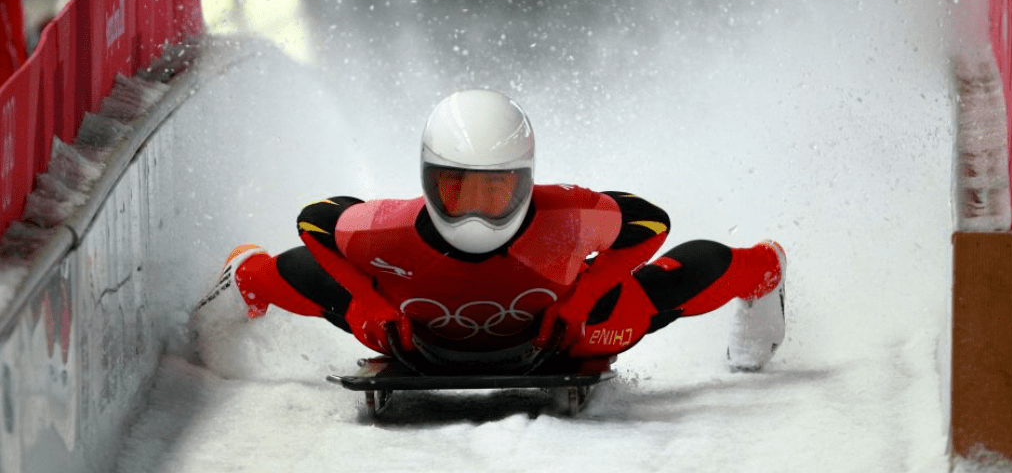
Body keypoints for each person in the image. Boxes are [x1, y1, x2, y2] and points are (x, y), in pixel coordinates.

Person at [194, 89, 787, 374]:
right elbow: (317, 222)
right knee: (289, 271)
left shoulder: (562, 218)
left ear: (524, 181)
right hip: (412, 330)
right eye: (457, 188)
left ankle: (764, 267)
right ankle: (241, 276)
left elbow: (648, 220)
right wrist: (373, 303)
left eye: (494, 188)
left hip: (567, 331)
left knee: (673, 282)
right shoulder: (388, 230)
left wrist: (583, 298)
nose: (475, 210)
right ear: (430, 180)